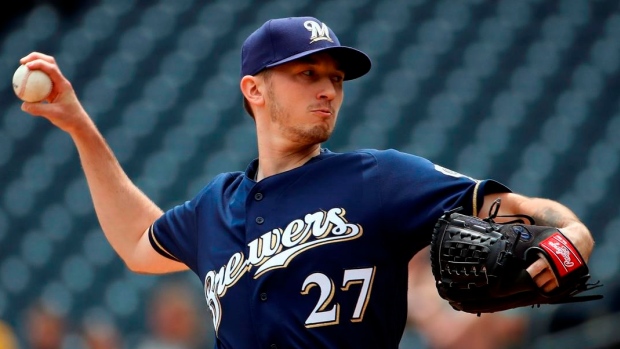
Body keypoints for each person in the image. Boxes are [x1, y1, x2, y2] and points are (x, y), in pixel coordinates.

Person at [19, 16, 595, 349]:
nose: (329, 90)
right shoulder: (216, 206)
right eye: (307, 73)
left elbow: (528, 210)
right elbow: (137, 243)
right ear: (254, 89)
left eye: (336, 78)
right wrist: (79, 126)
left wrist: (572, 238)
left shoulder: (379, 177)